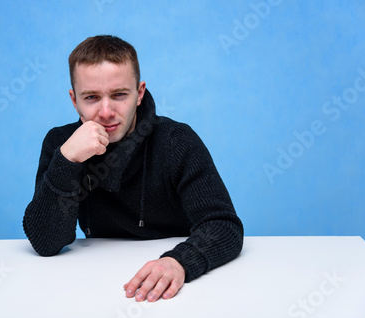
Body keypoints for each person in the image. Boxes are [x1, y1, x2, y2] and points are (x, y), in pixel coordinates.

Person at [23, 35, 243, 302]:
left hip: (177, 290)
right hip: (91, 284)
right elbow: (45, 243)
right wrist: (67, 160)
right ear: (74, 99)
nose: (106, 112)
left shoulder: (177, 141)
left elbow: (224, 225)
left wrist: (180, 262)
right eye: (91, 97)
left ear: (139, 93)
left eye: (119, 95)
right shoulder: (61, 143)